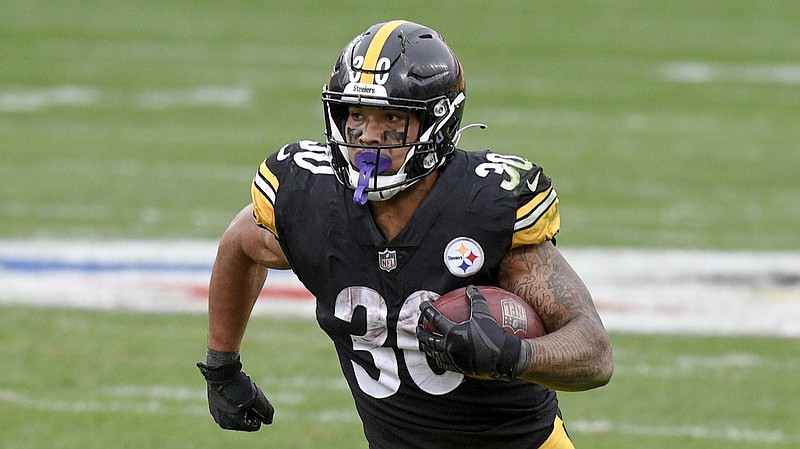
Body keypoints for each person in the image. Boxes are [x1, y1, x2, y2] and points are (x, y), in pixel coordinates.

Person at [197, 19, 613, 449]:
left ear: (438, 122)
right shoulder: (312, 200)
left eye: (391, 117)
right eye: (356, 114)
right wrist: (222, 365)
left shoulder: (483, 206)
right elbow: (239, 244)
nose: (368, 137)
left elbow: (594, 353)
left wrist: (513, 356)